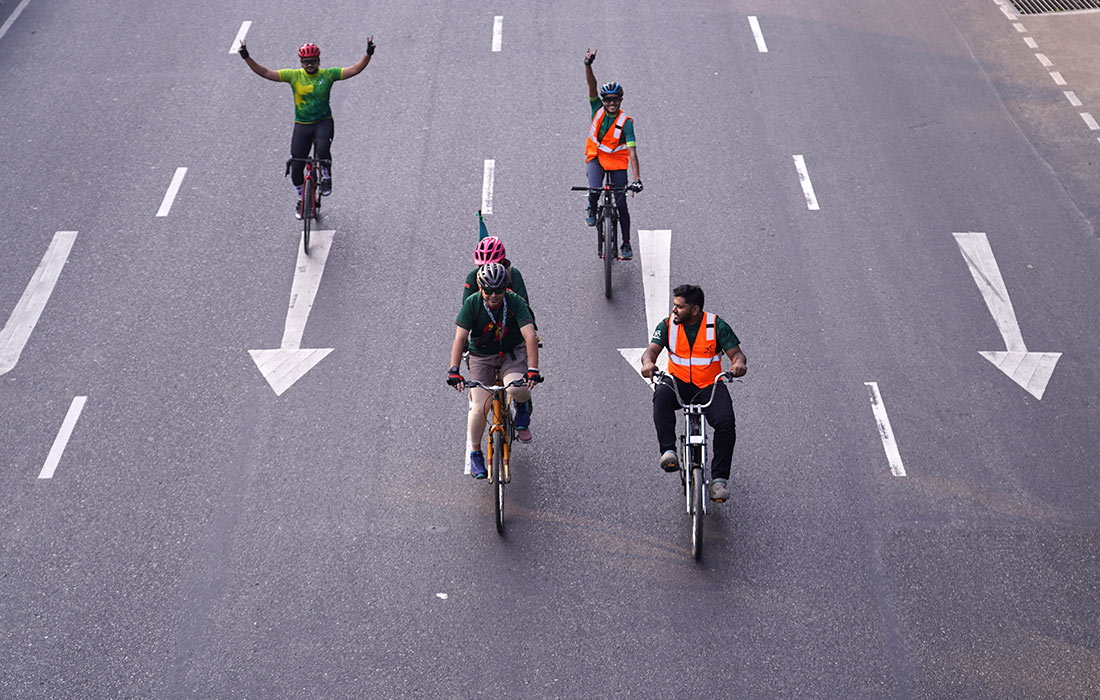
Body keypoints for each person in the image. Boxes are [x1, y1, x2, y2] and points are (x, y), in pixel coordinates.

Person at [239, 37, 375, 218]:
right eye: (305, 62)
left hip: (323, 123)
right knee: (296, 168)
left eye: (312, 61)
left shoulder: (328, 75)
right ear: (300, 62)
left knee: (323, 149)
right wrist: (246, 56)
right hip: (302, 126)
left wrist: (368, 53)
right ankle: (302, 199)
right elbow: (264, 72)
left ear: (319, 61)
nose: (309, 65)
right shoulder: (294, 76)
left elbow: (355, 69)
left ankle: (326, 177)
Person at [640, 285, 747, 502]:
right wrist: (648, 363)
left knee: (726, 423)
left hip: (709, 385)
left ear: (695, 310)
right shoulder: (668, 325)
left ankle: (719, 480)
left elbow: (737, 355)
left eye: (680, 307)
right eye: (674, 305)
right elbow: (651, 351)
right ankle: (668, 451)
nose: (674, 310)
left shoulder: (716, 326)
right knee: (661, 396)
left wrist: (738, 364)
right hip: (678, 381)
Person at [448, 263, 543, 479]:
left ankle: (522, 403)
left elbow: (529, 336)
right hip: (482, 356)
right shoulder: (472, 304)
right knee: (480, 407)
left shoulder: (515, 302)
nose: (493, 295)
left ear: (505, 288)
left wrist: (533, 369)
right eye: (488, 290)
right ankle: (475, 452)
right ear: (480, 287)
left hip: (511, 352)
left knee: (518, 389)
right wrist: (454, 370)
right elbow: (460, 338)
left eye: (498, 290)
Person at [584, 48, 642, 260]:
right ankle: (591, 207)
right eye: (607, 100)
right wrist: (587, 65)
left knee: (621, 204)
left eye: (615, 100)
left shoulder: (626, 122)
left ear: (620, 100)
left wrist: (636, 179)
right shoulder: (596, 109)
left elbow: (632, 152)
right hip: (596, 157)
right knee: (594, 187)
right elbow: (592, 86)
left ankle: (625, 243)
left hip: (617, 163)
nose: (611, 104)